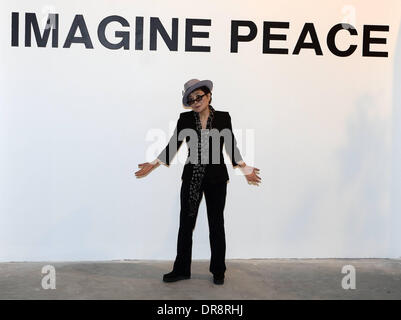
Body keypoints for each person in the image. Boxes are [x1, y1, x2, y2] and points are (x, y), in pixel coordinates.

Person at [135, 79, 261, 285]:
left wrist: (244, 167)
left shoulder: (222, 117)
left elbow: (230, 144)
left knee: (216, 224)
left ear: (209, 95)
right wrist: (154, 163)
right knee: (185, 225)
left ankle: (218, 270)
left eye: (199, 97)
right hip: (191, 177)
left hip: (217, 179)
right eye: (191, 99)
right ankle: (181, 269)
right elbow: (173, 143)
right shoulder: (185, 119)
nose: (195, 102)